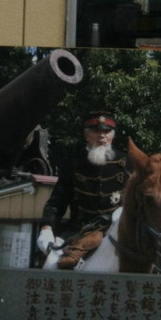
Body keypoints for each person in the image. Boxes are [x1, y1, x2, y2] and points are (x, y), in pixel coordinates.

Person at [36, 110, 131, 269]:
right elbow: (56, 203)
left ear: (112, 135)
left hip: (118, 231)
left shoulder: (127, 163)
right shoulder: (73, 162)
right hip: (79, 232)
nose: (102, 136)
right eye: (96, 131)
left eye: (107, 132)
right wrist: (46, 228)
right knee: (52, 266)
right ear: (86, 135)